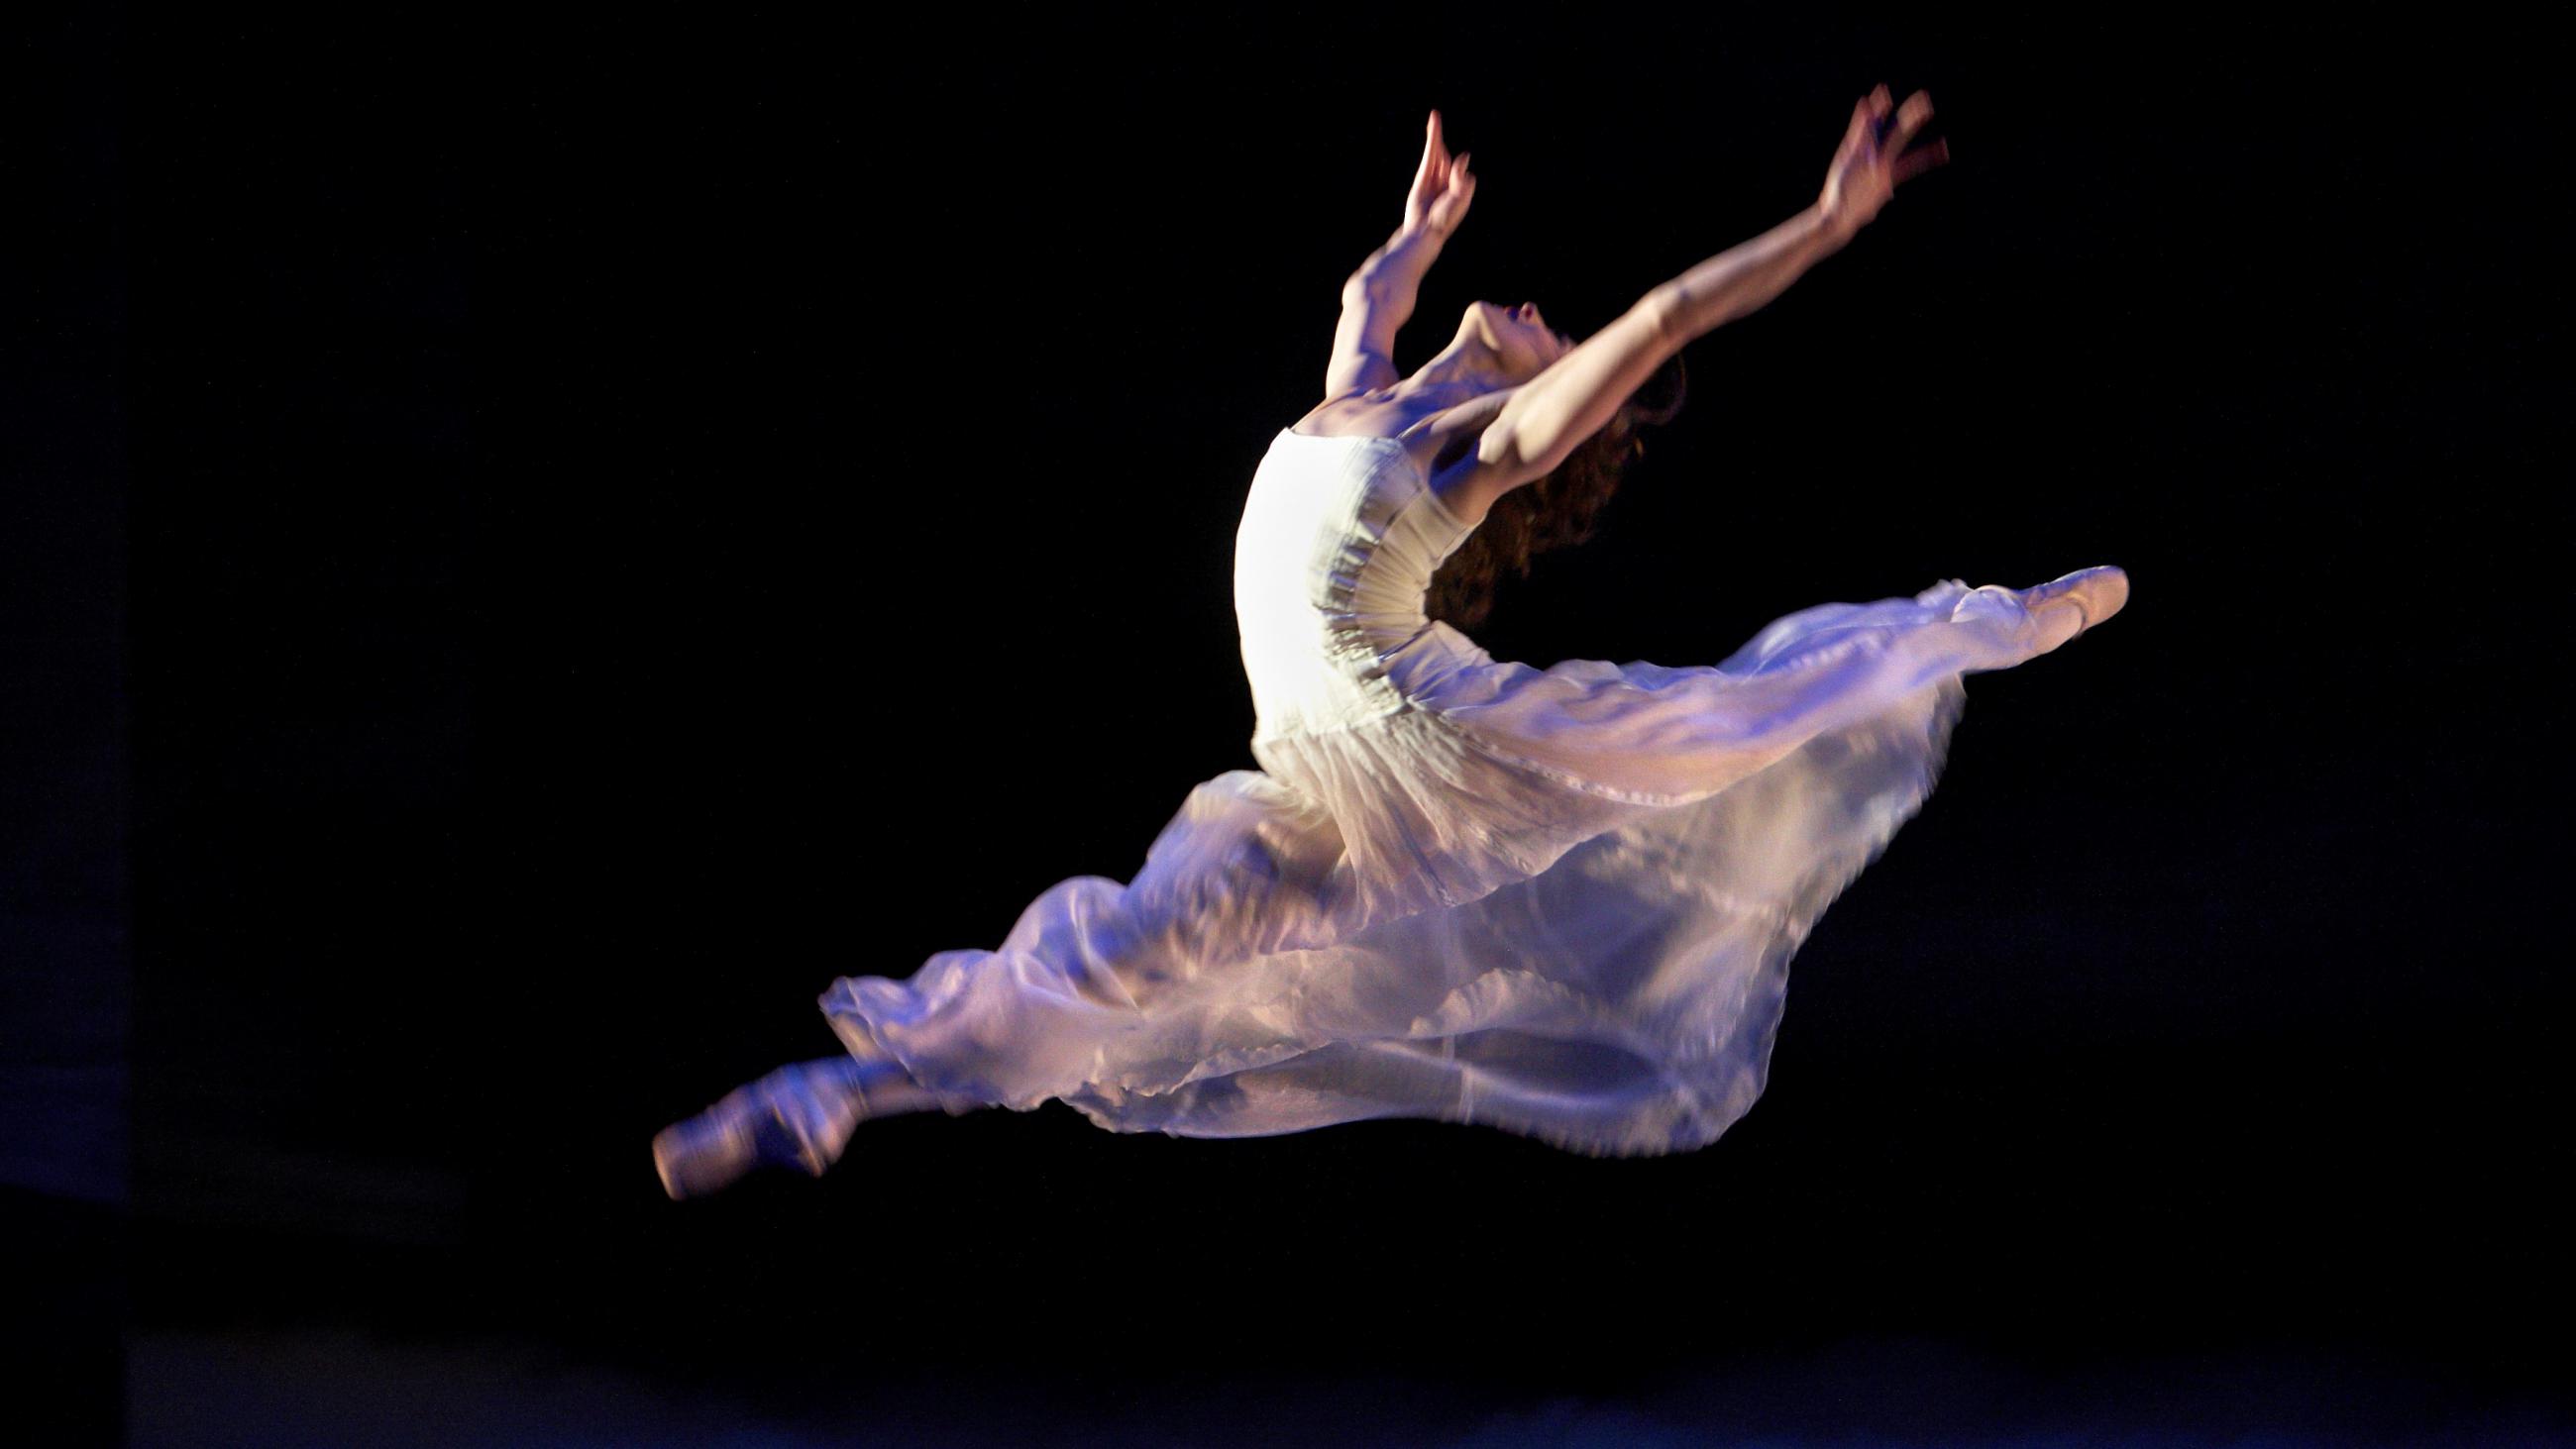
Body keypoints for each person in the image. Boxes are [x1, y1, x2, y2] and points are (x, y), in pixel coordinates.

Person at [652, 86, 2128, 1199]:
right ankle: (837, 1098)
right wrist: (1421, 231)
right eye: (1548, 320)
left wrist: (1827, 221)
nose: (1550, 314)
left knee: (1711, 724)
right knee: (1114, 957)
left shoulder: (1477, 450)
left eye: (1560, 338)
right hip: (1300, 781)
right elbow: (1370, 301)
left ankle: (1994, 625)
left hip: (1422, 742)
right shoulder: (1370, 390)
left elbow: (1671, 316)